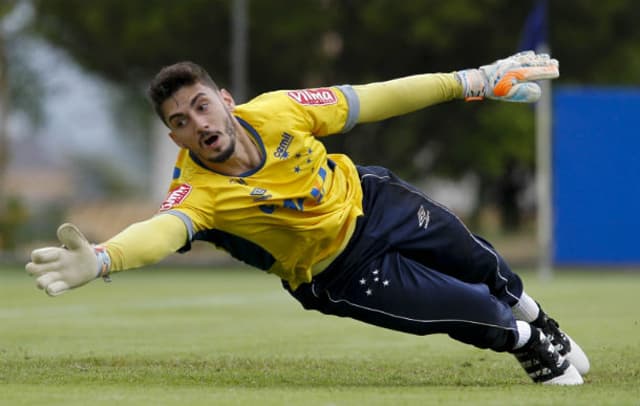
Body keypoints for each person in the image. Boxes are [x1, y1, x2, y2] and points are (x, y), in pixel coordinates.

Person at [26, 51, 589, 385]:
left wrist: (473, 80)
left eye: (201, 105)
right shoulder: (199, 191)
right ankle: (530, 346)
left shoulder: (278, 110)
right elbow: (160, 231)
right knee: (475, 313)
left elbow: (375, 97)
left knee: (481, 263)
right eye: (180, 120)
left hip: (374, 201)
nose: (197, 123)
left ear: (225, 99)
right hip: (336, 272)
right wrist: (102, 259)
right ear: (173, 135)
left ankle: (542, 320)